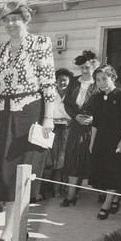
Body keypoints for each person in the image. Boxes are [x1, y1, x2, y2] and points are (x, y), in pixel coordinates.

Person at [0, 0, 56, 241]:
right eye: (6, 20)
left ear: (25, 18)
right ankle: (15, 230)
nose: (11, 24)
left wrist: (48, 119)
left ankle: (8, 235)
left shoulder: (41, 43)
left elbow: (49, 83)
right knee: (5, 177)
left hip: (31, 115)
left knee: (23, 177)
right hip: (5, 115)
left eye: (15, 18)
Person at [89, 64, 121, 220]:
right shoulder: (97, 98)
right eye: (97, 80)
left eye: (104, 79)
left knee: (113, 172)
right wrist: (92, 142)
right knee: (104, 171)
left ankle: (106, 205)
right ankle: (114, 199)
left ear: (113, 77)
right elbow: (96, 123)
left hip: (117, 140)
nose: (101, 82)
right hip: (101, 140)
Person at [60, 50, 101, 207]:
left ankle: (103, 194)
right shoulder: (74, 82)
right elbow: (68, 104)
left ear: (93, 67)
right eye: (82, 68)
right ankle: (71, 195)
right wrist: (75, 117)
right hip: (77, 126)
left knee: (92, 159)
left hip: (92, 128)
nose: (84, 71)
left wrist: (93, 119)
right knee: (73, 159)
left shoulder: (98, 84)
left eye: (87, 68)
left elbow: (102, 107)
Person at [50, 68, 73, 197]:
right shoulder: (51, 94)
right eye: (59, 80)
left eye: (65, 80)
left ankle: (67, 190)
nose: (62, 83)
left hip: (68, 130)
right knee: (55, 161)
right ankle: (56, 191)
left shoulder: (73, 94)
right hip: (54, 129)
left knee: (67, 160)